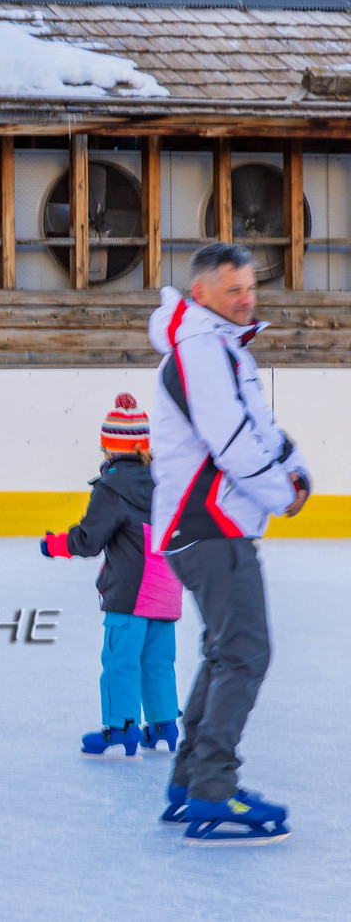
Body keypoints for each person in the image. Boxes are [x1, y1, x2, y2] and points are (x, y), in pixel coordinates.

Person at [148, 242, 309, 845]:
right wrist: (279, 492)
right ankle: (213, 793)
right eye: (233, 290)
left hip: (213, 525)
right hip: (207, 525)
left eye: (250, 287)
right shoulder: (199, 349)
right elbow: (232, 440)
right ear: (202, 294)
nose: (247, 299)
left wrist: (296, 472)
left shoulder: (219, 347)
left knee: (225, 652)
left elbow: (261, 428)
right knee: (244, 653)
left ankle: (190, 784)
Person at [40, 393, 180, 759]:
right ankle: (165, 725)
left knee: (121, 659)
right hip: (167, 588)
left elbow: (88, 540)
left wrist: (55, 545)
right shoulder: (165, 480)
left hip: (130, 592)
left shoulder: (112, 486)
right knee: (158, 660)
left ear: (110, 449)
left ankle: (121, 729)